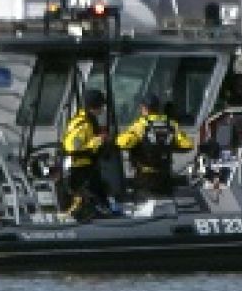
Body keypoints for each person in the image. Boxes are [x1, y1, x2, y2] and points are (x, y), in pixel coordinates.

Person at [116, 92, 194, 199]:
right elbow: (187, 145)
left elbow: (122, 143)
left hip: (145, 179)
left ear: (144, 108)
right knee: (166, 207)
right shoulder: (171, 124)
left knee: (145, 209)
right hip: (165, 177)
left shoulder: (140, 125)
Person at [61, 89, 114, 219]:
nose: (103, 109)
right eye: (101, 106)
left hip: (88, 168)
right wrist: (98, 140)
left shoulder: (90, 121)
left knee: (101, 197)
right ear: (94, 106)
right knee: (85, 200)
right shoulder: (82, 124)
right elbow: (72, 147)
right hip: (79, 170)